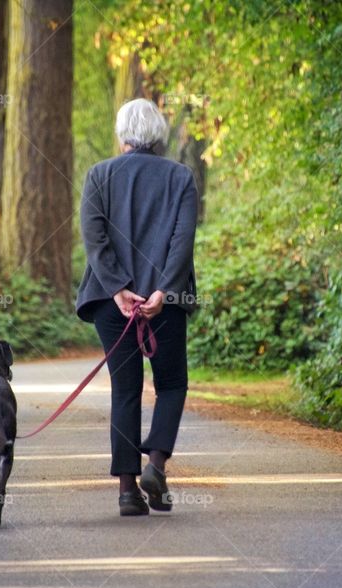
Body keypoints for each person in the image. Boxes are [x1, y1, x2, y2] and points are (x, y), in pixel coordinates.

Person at [75, 98, 199, 516]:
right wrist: (163, 291)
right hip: (166, 303)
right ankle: (156, 467)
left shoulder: (98, 175)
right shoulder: (181, 176)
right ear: (159, 134)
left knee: (124, 389)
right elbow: (182, 240)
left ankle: (128, 492)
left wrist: (118, 290)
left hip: (114, 306)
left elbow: (94, 239)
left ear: (121, 132)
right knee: (172, 384)